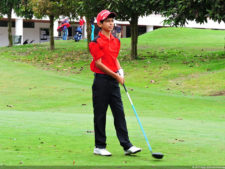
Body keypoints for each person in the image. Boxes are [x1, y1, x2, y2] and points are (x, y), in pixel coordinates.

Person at [89, 10, 141, 156]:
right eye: (108, 21)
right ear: (100, 24)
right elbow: (98, 63)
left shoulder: (116, 40)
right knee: (100, 114)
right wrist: (115, 75)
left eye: (112, 21)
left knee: (119, 113)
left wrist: (120, 70)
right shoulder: (95, 42)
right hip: (100, 81)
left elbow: (114, 58)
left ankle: (127, 145)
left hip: (113, 81)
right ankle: (99, 146)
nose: (111, 24)